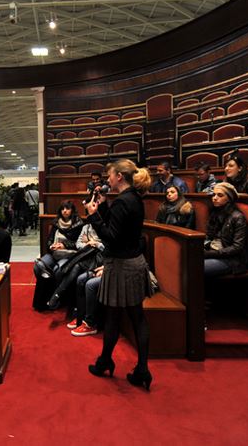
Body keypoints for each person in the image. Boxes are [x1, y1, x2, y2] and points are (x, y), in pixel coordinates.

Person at [84, 158, 153, 390]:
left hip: (121, 266)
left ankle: (105, 361)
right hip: (135, 262)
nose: (108, 179)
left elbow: (111, 237)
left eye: (110, 175)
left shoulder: (123, 202)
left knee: (113, 317)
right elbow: (119, 230)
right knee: (137, 317)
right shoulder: (134, 198)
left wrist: (93, 215)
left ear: (119, 177)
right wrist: (103, 206)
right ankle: (142, 369)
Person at [47, 221, 105, 311]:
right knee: (73, 267)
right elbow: (78, 244)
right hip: (86, 257)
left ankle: (58, 294)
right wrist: (89, 243)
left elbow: (107, 248)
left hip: (99, 260)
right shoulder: (86, 227)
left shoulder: (103, 228)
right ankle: (60, 297)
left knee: (75, 269)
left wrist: (96, 244)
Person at [204, 182, 248, 278]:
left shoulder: (238, 217)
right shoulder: (215, 213)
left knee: (195, 267)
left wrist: (212, 254)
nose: (214, 198)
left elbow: (237, 247)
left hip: (231, 260)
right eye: (214, 194)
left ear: (229, 198)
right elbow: (209, 236)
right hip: (214, 252)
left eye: (220, 195)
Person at [33, 200, 84, 281]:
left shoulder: (79, 224)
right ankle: (45, 290)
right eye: (62, 209)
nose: (64, 211)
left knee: (58, 269)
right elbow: (49, 240)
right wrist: (51, 246)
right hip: (55, 253)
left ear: (72, 210)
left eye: (67, 208)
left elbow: (80, 244)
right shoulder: (56, 223)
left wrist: (64, 245)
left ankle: (56, 293)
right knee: (38, 266)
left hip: (69, 255)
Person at [69, 265, 104, 337]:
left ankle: (90, 323)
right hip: (109, 266)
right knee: (80, 278)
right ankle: (81, 317)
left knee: (90, 284)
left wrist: (106, 270)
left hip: (119, 272)